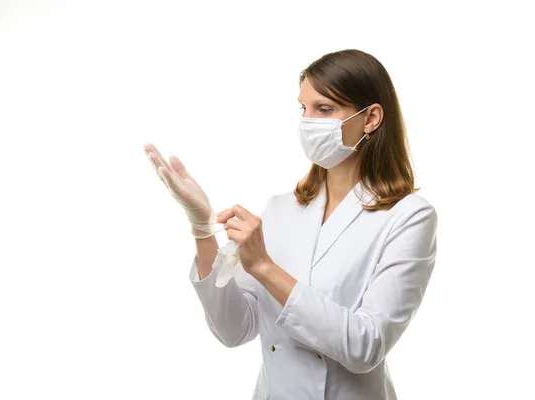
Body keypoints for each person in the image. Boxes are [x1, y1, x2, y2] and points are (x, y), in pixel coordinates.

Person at [144, 48, 438, 400]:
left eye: (325, 109)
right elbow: (233, 329)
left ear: (371, 118)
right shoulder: (281, 210)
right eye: (304, 109)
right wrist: (203, 228)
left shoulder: (409, 217)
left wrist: (265, 267)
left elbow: (365, 345)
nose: (309, 121)